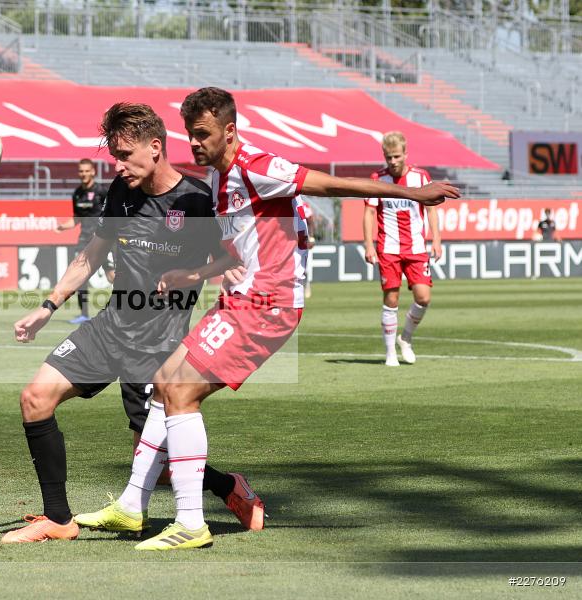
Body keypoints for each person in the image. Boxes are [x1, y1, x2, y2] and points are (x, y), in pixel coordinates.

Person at [128, 87, 456, 551]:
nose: (195, 143)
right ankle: (138, 505)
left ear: (230, 131)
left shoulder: (257, 166)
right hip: (239, 301)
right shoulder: (221, 180)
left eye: (202, 134)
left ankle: (190, 524)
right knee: (165, 383)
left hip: (269, 305)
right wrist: (195, 272)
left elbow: (328, 184)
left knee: (179, 391)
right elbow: (242, 250)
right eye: (190, 135)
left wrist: (410, 193)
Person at [0, 102, 260, 544]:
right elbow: (91, 255)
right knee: (35, 398)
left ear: (155, 147)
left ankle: (227, 486)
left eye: (125, 155)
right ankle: (58, 520)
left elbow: (230, 257)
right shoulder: (121, 192)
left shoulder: (196, 200)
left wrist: (211, 272)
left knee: (158, 471)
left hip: (159, 347)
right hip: (109, 329)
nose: (118, 165)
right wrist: (47, 306)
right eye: (115, 157)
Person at [362, 131, 442, 367]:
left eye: (397, 156)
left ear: (406, 154)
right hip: (388, 248)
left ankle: (405, 338)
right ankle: (389, 354)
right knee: (392, 298)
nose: (393, 161)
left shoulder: (420, 177)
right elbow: (368, 212)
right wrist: (369, 245)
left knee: (423, 297)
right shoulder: (377, 178)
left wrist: (436, 239)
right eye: (389, 157)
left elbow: (431, 209)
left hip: (416, 247)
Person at [54, 159, 110, 323]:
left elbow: (110, 215)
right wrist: (63, 227)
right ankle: (84, 314)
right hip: (84, 240)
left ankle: (118, 310)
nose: (84, 174)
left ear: (93, 172)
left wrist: (105, 233)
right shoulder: (77, 193)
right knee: (80, 278)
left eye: (87, 171)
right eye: (81, 171)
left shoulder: (101, 191)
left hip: (103, 240)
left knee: (113, 276)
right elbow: (76, 218)